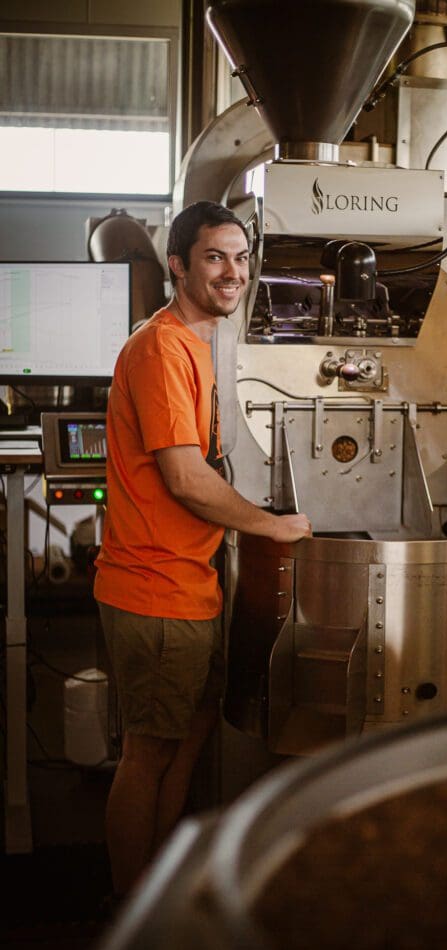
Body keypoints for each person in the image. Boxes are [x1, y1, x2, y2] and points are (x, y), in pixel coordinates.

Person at [94, 200, 312, 900]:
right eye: (215, 257)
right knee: (149, 754)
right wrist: (270, 526)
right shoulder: (161, 347)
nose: (233, 272)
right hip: (154, 590)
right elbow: (186, 478)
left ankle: (161, 898)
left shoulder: (196, 344)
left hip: (192, 586)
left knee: (186, 743)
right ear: (178, 265)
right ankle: (136, 925)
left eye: (241, 257)